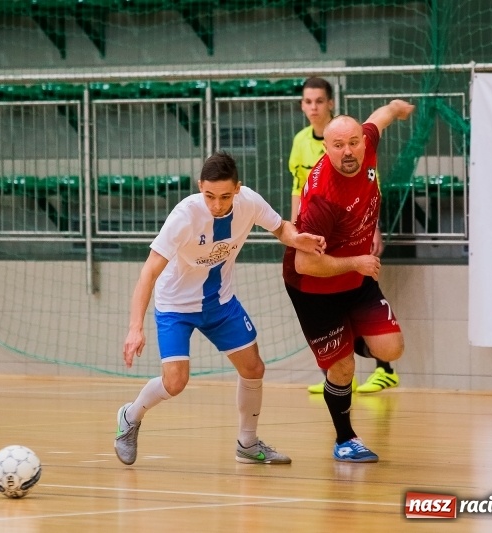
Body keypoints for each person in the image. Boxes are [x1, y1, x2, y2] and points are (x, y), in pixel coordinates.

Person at [115, 151, 326, 466]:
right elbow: (148, 272)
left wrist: (297, 240)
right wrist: (135, 328)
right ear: (200, 186)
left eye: (225, 196)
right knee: (175, 382)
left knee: (253, 368)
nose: (217, 204)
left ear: (238, 189)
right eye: (209, 196)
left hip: (220, 302)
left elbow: (281, 227)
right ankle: (130, 416)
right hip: (175, 305)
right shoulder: (183, 217)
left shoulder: (249, 203)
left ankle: (248, 443)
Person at [283, 99, 415, 462]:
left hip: (356, 276)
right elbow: (306, 264)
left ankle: (351, 334)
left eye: (353, 142)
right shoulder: (323, 199)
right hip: (314, 287)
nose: (348, 151)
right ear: (325, 148)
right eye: (338, 146)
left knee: (392, 349)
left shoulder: (367, 143)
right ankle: (345, 439)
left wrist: (395, 107)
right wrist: (357, 260)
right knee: (342, 368)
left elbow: (379, 119)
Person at [289, 77, 401, 395]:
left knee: (360, 287)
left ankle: (383, 367)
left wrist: (373, 225)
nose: (313, 107)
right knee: (326, 286)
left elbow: (368, 181)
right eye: (308, 101)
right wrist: (294, 234)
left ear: (330, 103)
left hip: (355, 233)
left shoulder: (355, 137)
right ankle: (340, 368)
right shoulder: (301, 142)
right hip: (321, 235)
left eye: (319, 101)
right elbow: (298, 188)